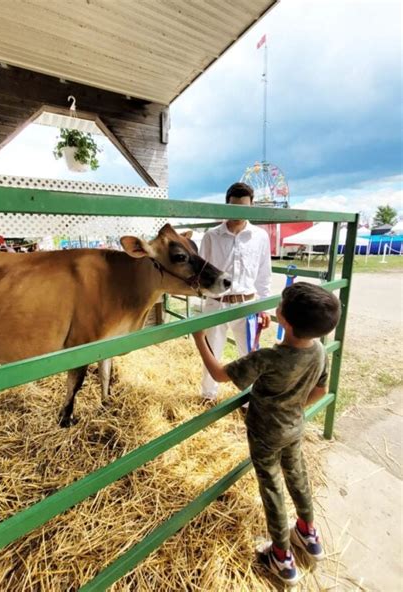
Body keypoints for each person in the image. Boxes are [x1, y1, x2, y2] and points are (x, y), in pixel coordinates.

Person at [193, 282, 341, 586]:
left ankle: (281, 556)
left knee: (271, 486)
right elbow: (321, 389)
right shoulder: (319, 351)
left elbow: (221, 374)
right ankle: (307, 531)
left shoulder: (270, 359)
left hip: (265, 433)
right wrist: (292, 405)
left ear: (284, 319)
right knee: (297, 476)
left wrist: (199, 339)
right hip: (294, 427)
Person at [199, 182, 272, 401]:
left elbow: (263, 274)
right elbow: (202, 272)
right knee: (212, 351)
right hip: (216, 303)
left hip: (247, 304)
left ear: (252, 207)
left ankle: (249, 398)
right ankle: (207, 396)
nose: (239, 213)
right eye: (234, 207)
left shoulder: (260, 236)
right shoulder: (211, 236)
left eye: (244, 208)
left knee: (250, 355)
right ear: (226, 205)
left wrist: (265, 307)